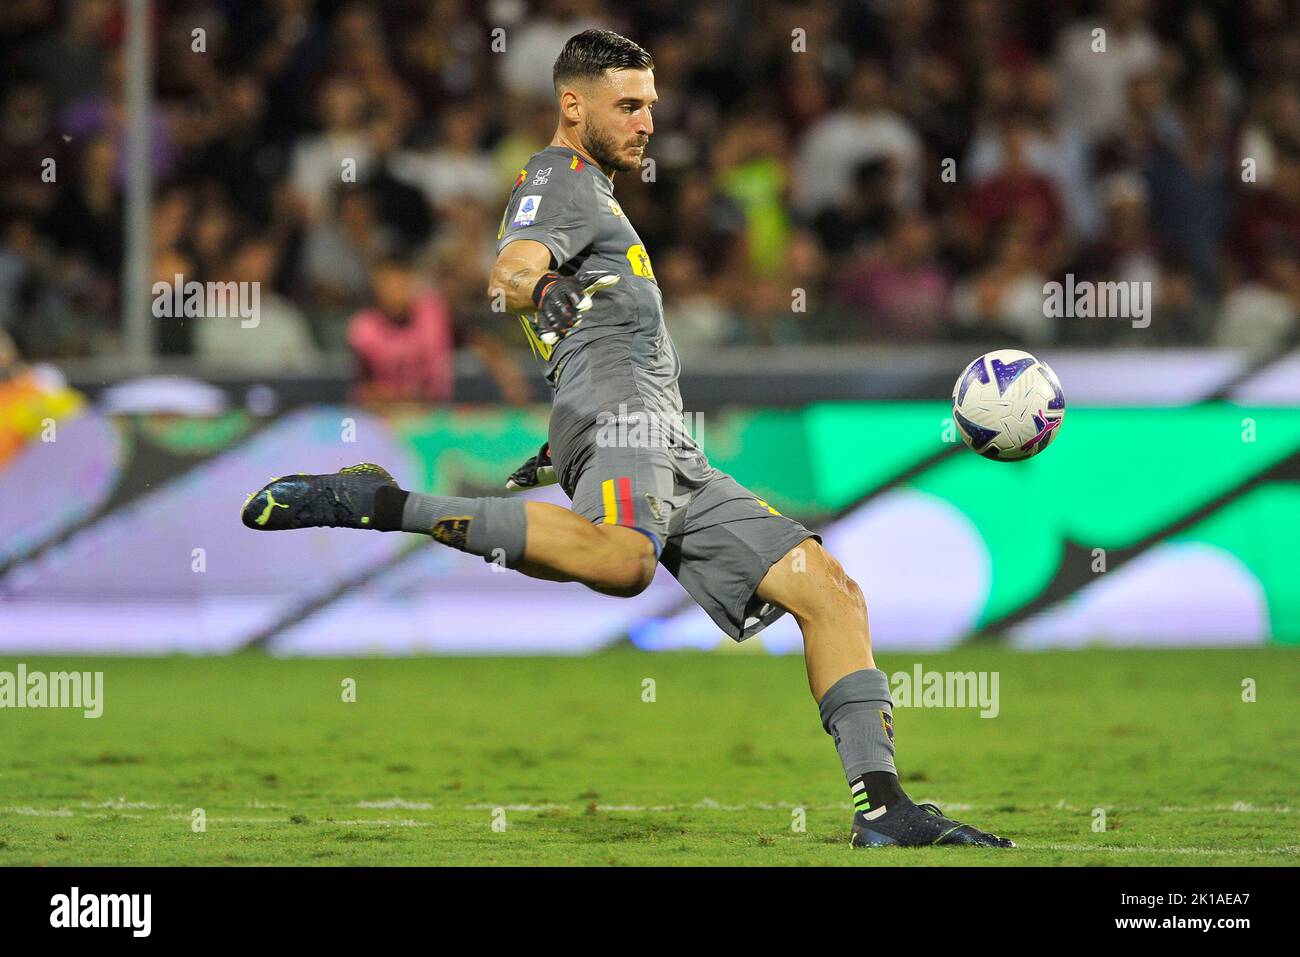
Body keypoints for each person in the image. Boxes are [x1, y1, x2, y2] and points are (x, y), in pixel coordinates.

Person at [240, 29, 1013, 849]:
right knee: (625, 563)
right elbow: (507, 273)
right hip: (622, 424)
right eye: (630, 105)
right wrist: (538, 288)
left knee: (828, 591)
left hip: (665, 443)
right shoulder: (557, 177)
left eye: (652, 105)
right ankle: (377, 501)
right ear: (573, 106)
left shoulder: (601, 199)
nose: (648, 122)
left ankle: (885, 809)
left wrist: (567, 407)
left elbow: (588, 327)